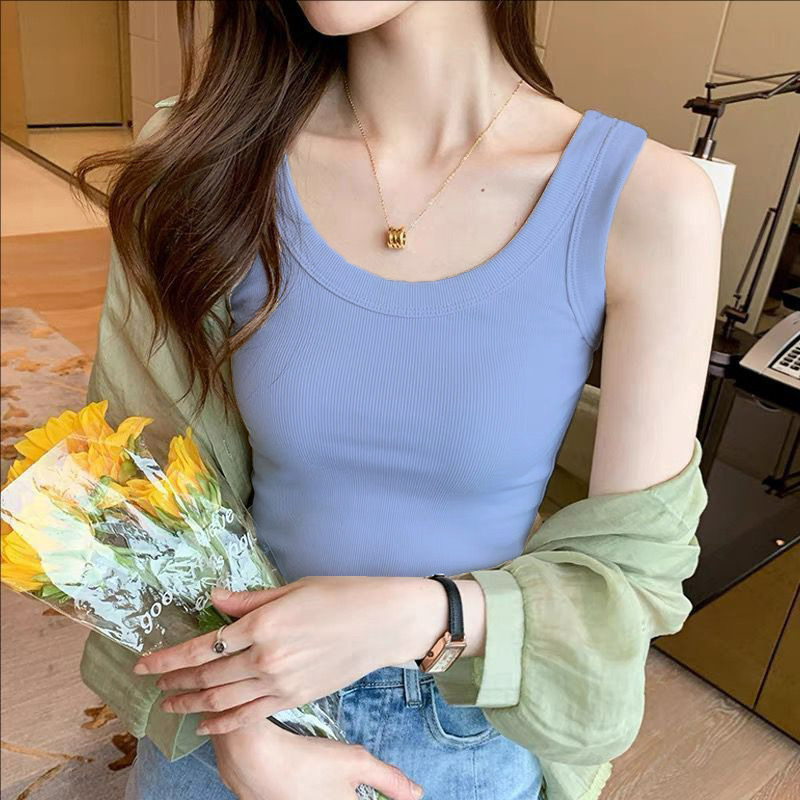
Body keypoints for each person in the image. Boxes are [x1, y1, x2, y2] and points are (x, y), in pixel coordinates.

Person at [73, 1, 721, 799]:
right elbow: (133, 474)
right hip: (232, 698)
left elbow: (631, 574)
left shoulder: (647, 200)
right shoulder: (208, 153)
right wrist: (244, 737)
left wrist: (422, 613)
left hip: (465, 725)